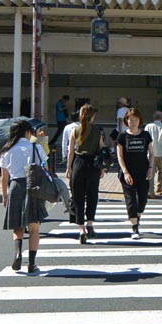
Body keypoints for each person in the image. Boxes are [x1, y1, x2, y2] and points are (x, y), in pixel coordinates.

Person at [0, 120, 49, 274]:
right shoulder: (35, 147)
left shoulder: (7, 150)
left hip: (15, 187)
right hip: (33, 187)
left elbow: (3, 177)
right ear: (28, 132)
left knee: (18, 226)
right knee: (34, 228)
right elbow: (45, 168)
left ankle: (18, 253)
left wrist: (4, 196)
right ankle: (32, 263)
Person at [66, 104, 107, 244]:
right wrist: (102, 168)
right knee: (92, 195)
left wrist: (69, 168)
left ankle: (81, 229)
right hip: (93, 165)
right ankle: (90, 225)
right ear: (92, 116)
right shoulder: (98, 131)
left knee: (78, 197)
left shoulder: (75, 130)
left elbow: (70, 151)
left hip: (78, 163)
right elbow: (102, 149)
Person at [116, 107, 154, 239]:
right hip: (128, 173)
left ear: (139, 121)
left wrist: (150, 168)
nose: (132, 121)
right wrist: (125, 172)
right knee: (131, 200)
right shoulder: (122, 136)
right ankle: (134, 228)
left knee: (142, 200)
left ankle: (137, 217)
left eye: (135, 119)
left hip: (143, 172)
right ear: (126, 120)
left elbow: (152, 154)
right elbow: (120, 156)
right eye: (130, 119)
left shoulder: (146, 135)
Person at [144, 110, 162, 196]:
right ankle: (159, 187)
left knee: (151, 172)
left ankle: (151, 191)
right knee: (161, 170)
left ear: (153, 117)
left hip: (151, 152)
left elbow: (145, 139)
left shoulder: (148, 126)